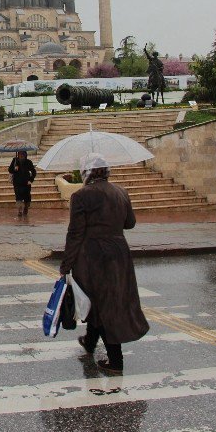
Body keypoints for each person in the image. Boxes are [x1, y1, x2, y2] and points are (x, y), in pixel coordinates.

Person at [59, 152, 149, 375]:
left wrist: (66, 264)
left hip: (93, 256)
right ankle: (90, 342)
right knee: (106, 301)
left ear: (86, 173)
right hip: (119, 254)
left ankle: (116, 361)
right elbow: (130, 223)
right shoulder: (121, 192)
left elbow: (75, 233)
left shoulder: (81, 196)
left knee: (103, 305)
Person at [8, 150, 37, 217]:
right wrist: (14, 168)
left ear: (25, 154)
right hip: (17, 183)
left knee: (27, 198)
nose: (21, 155)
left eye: (22, 154)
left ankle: (26, 208)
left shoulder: (29, 162)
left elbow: (33, 172)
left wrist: (31, 180)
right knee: (18, 197)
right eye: (20, 154)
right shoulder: (15, 161)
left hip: (26, 183)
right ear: (18, 154)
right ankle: (20, 210)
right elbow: (10, 170)